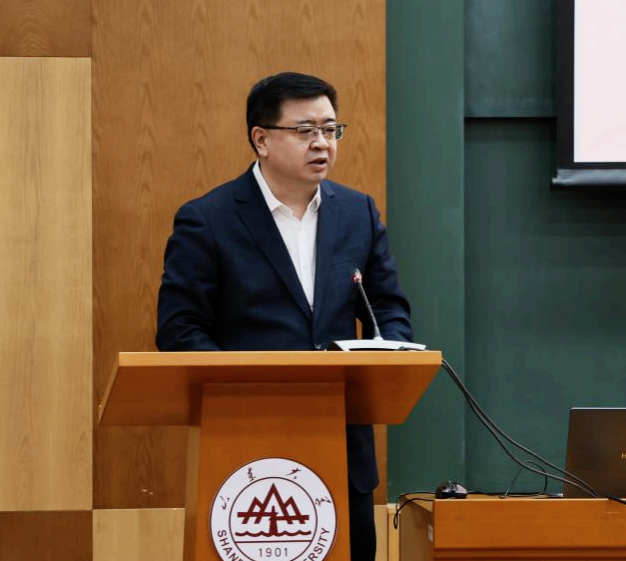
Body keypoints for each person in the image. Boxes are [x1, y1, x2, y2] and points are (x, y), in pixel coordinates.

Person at [156, 71, 413, 561]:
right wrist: (246, 386)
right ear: (261, 139)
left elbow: (388, 307)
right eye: (305, 130)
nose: (322, 143)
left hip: (342, 448)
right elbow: (179, 329)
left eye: (331, 129)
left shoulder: (357, 212)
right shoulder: (208, 219)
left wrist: (390, 352)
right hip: (244, 454)